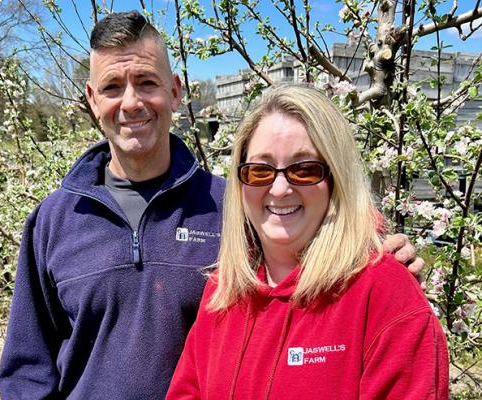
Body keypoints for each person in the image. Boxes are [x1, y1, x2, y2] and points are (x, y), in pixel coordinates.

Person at [0, 11, 424, 400]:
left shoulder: (235, 204)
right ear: (92, 100)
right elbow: (27, 368)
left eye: (147, 82)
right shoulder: (54, 221)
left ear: (175, 91)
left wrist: (380, 249)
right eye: (112, 87)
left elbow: (315, 227)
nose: (131, 103)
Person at [166, 85, 448, 399]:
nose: (280, 189)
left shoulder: (383, 294)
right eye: (260, 170)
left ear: (335, 179)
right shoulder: (223, 292)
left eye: (304, 169)